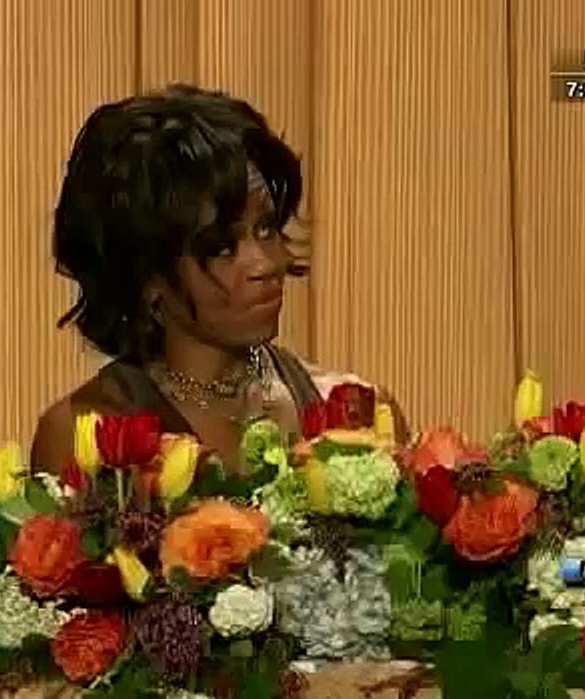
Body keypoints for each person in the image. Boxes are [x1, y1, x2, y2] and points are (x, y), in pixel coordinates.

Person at [31, 85, 408, 475]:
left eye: (265, 228)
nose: (265, 264)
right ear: (148, 277)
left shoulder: (358, 418)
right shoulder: (84, 436)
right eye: (223, 247)